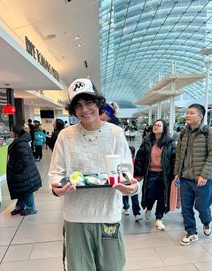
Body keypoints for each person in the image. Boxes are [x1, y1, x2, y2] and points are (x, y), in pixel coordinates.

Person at [48, 78, 139, 271]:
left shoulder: (115, 133)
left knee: (113, 266)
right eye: (78, 106)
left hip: (108, 215)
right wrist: (57, 187)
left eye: (89, 102)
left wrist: (131, 187)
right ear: (73, 111)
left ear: (98, 103)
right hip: (76, 216)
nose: (85, 110)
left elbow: (126, 172)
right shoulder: (66, 136)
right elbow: (55, 173)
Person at [174, 103, 212, 246]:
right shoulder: (183, 133)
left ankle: (206, 222)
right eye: (187, 112)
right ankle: (191, 232)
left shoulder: (209, 132)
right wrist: (177, 173)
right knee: (186, 207)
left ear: (200, 116)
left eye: (191, 113)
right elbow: (179, 154)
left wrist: (204, 175)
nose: (187, 115)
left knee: (202, 206)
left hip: (202, 179)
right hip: (185, 178)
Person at [134, 119, 176, 230]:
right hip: (151, 173)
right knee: (150, 194)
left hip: (164, 175)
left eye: (158, 125)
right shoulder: (147, 141)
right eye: (154, 125)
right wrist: (138, 173)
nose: (155, 127)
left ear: (164, 129)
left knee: (162, 197)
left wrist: (176, 174)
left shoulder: (170, 142)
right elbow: (139, 157)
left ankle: (159, 218)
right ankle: (148, 207)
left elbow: (175, 158)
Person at [7, 125, 42, 216]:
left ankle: (31, 208)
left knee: (26, 190)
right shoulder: (19, 141)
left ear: (16, 133)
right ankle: (20, 207)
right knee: (22, 190)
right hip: (23, 172)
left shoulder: (21, 143)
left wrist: (15, 169)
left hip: (25, 173)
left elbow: (24, 160)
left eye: (11, 131)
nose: (10, 132)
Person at [123, 146, 142, 221]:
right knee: (125, 197)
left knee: (135, 199)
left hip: (133, 182)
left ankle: (137, 213)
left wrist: (138, 177)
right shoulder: (123, 162)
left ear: (132, 154)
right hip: (124, 182)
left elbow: (137, 170)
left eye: (130, 153)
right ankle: (126, 207)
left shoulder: (135, 162)